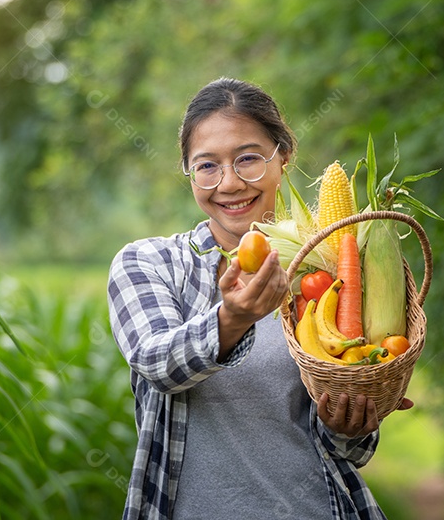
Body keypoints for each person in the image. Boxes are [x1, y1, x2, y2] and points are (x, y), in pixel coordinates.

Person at [108, 78, 412, 519]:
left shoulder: (327, 274)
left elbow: (350, 450)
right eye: (206, 166)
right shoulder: (149, 263)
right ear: (188, 173)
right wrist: (233, 318)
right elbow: (157, 364)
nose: (229, 183)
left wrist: (350, 423)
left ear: (283, 157)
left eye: (248, 159)